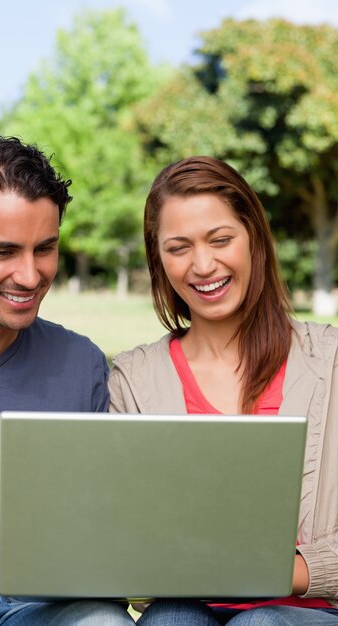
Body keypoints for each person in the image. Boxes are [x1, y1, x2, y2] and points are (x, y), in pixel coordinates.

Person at [109, 156, 338, 625]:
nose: (203, 264)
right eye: (178, 247)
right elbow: (123, 541)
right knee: (169, 619)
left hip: (306, 609)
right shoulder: (131, 380)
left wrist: (281, 572)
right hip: (184, 603)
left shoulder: (331, 361)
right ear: (159, 260)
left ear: (253, 237)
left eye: (220, 239)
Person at [0, 135, 135, 625]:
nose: (29, 275)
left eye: (45, 249)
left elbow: (107, 521)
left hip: (40, 606)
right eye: (3, 251)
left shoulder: (81, 362)